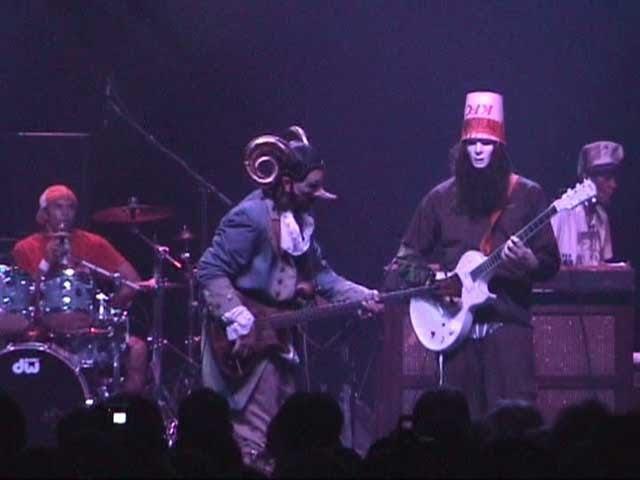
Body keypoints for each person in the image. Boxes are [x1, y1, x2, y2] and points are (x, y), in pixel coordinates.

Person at [197, 125, 383, 467]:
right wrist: (237, 315)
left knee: (282, 426)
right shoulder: (251, 217)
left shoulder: (298, 220)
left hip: (278, 336)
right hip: (244, 337)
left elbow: (321, 275)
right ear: (286, 183)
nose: (316, 194)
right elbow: (209, 270)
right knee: (254, 431)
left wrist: (361, 296)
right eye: (311, 187)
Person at [385, 91, 560, 419]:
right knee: (459, 429)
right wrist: (437, 282)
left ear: (500, 147)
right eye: (472, 143)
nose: (479, 150)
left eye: (487, 142)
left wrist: (530, 262)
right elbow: (400, 266)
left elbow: (550, 261)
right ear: (462, 147)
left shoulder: (527, 195)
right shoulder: (440, 199)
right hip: (456, 338)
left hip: (508, 331)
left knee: (515, 428)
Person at [12, 184, 149, 394]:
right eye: (58, 207)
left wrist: (108, 310)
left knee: (137, 350)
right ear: (44, 213)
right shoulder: (25, 248)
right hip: (44, 333)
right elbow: (24, 297)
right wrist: (46, 263)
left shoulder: (93, 243)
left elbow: (132, 281)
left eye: (71, 208)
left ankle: (119, 411)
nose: (65, 213)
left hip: (90, 332)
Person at [551, 140, 624, 266]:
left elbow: (602, 266)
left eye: (613, 178)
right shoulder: (561, 213)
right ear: (587, 178)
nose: (613, 185)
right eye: (607, 178)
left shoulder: (602, 217)